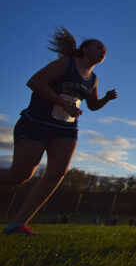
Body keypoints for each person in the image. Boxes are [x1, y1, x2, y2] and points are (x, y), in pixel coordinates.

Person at [1, 27, 117, 235]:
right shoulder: (66, 63)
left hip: (66, 127)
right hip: (37, 121)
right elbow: (34, 82)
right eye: (98, 47)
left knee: (57, 172)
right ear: (84, 49)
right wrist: (61, 101)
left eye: (105, 50)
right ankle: (16, 222)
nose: (102, 51)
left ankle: (17, 225)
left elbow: (92, 105)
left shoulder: (93, 78)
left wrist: (106, 99)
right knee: (19, 175)